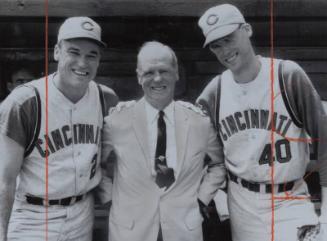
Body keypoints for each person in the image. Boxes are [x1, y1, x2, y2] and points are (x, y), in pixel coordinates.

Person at [196, 4, 327, 241]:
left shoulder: (287, 76)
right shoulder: (214, 93)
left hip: (290, 199)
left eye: (228, 38)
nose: (224, 50)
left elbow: (325, 140)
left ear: (247, 29)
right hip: (243, 206)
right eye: (216, 45)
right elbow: (205, 158)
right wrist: (216, 201)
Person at [0, 16, 118, 241]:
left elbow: (108, 159)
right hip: (33, 215)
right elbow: (4, 181)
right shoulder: (25, 102)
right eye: (73, 52)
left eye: (91, 55)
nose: (82, 63)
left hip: (82, 211)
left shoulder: (105, 99)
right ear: (57, 52)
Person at [99, 41, 226, 241]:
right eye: (149, 72)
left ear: (176, 73)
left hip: (183, 229)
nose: (157, 79)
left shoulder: (199, 122)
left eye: (164, 71)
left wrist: (202, 199)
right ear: (139, 76)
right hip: (130, 230)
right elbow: (97, 164)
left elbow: (219, 164)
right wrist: (109, 200)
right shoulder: (117, 121)